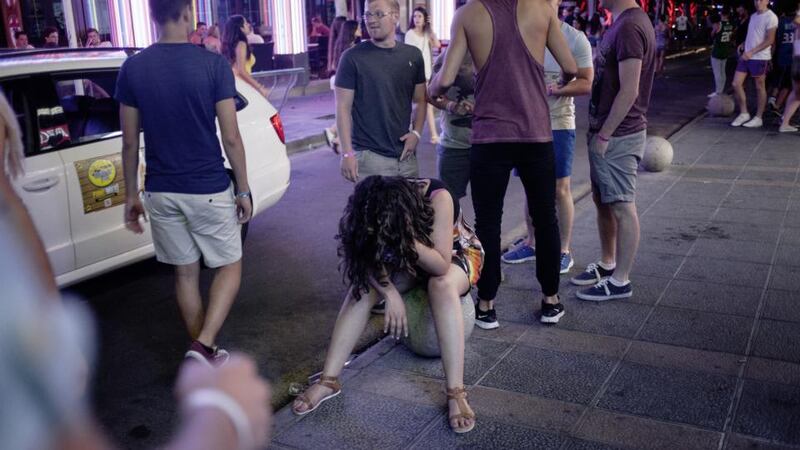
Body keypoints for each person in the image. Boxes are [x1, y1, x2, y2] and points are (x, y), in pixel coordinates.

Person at [115, 0, 253, 366]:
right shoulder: (212, 65)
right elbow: (232, 137)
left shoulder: (133, 68)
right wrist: (242, 188)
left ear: (152, 16)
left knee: (185, 273)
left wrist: (131, 195)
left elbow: (129, 142)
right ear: (188, 14)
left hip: (160, 190)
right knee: (230, 265)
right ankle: (204, 344)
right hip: (206, 186)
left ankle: (203, 353)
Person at [430, 0, 577, 329]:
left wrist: (433, 88)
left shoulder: (468, 14)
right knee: (545, 218)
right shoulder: (541, 10)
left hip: (490, 136)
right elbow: (570, 67)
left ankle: (486, 304)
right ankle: (551, 300)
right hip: (535, 132)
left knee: (488, 223)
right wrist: (549, 82)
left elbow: (446, 77)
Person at [291, 176, 479, 434]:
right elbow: (366, 259)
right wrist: (390, 293)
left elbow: (440, 265)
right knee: (362, 288)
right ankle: (328, 380)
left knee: (441, 285)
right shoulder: (374, 205)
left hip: (456, 254)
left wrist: (407, 237)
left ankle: (456, 392)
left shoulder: (438, 198)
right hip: (407, 257)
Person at [501, 0, 594, 320]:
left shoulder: (574, 39)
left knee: (560, 189)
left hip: (558, 126)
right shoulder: (521, 33)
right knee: (529, 188)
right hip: (524, 125)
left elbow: (585, 81)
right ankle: (531, 241)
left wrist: (558, 90)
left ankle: (564, 250)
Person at [572, 0, 656, 302]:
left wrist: (606, 134)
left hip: (619, 134)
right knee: (604, 202)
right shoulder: (622, 22)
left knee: (621, 205)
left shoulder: (631, 26)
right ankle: (608, 264)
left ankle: (621, 280)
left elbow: (630, 89)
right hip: (607, 131)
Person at [337, 0, 427, 183]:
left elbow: (420, 100)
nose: (371, 20)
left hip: (406, 158)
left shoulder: (413, 56)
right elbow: (343, 108)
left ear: (395, 16)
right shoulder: (352, 58)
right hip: (370, 159)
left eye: (378, 14)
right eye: (367, 14)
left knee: (411, 211)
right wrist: (347, 153)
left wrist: (416, 134)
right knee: (373, 212)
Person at [429, 48, 475, 204]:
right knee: (447, 206)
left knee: (489, 212)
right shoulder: (448, 56)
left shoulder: (496, 51)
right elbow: (430, 94)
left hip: (488, 146)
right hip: (453, 145)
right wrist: (452, 106)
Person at [730, 0, 778, 128]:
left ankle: (758, 117)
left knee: (759, 87)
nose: (758, 2)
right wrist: (745, 44)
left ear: (767, 1)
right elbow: (753, 34)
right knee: (736, 83)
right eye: (756, 0)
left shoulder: (771, 17)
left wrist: (752, 51)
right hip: (747, 55)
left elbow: (770, 40)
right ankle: (744, 112)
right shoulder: (753, 16)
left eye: (761, 0)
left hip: (760, 57)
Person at [405, 7, 442, 144]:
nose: (417, 19)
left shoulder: (427, 34)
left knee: (428, 104)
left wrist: (430, 28)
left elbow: (437, 44)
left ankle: (433, 135)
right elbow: (408, 55)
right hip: (415, 75)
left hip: (427, 75)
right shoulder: (410, 34)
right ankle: (412, 131)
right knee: (417, 104)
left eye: (420, 16)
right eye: (415, 16)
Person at [324, 20, 361, 154]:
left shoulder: (341, 45)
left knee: (347, 112)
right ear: (353, 30)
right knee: (350, 112)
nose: (360, 29)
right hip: (346, 83)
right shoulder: (351, 48)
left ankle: (338, 138)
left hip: (339, 82)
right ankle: (334, 133)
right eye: (358, 28)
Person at [223, 15, 269, 98]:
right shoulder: (241, 44)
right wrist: (259, 87)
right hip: (242, 85)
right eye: (245, 23)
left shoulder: (233, 45)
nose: (248, 25)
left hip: (235, 85)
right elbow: (241, 70)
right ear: (241, 28)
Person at [767, 3, 797, 112]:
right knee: (788, 84)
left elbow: (774, 42)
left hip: (780, 55)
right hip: (793, 57)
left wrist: (770, 58)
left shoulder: (780, 21)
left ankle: (772, 97)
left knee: (778, 79)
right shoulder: (798, 21)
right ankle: (778, 105)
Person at [778, 5, 800, 132]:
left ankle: (785, 123)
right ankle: (785, 123)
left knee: (797, 94)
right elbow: (797, 20)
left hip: (796, 59)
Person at [709, 10, 736, 96]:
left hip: (717, 51)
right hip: (725, 51)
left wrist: (713, 30)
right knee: (723, 72)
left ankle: (718, 92)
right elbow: (731, 36)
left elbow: (712, 35)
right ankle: (721, 90)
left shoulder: (718, 25)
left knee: (717, 73)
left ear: (722, 15)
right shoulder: (730, 25)